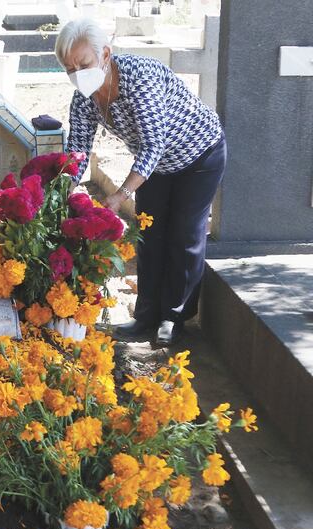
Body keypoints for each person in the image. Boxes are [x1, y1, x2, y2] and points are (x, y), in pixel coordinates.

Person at [56, 17, 227, 346]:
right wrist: (64, 191)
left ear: (105, 54)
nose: (78, 74)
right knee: (148, 234)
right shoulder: (84, 97)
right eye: (69, 68)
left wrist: (120, 195)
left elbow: (153, 144)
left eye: (84, 63)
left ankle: (173, 318)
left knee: (183, 237)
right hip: (156, 166)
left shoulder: (139, 76)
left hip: (199, 155)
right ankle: (146, 314)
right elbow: (77, 150)